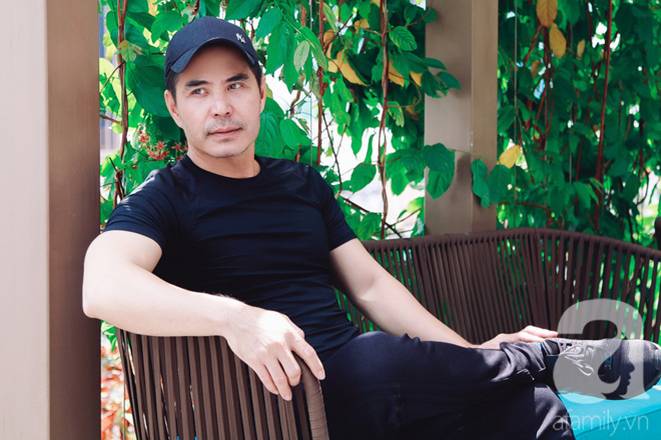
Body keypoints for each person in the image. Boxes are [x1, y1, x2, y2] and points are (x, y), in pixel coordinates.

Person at [82, 17, 661, 439]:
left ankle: (527, 368)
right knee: (371, 362)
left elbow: (372, 286)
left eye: (235, 84)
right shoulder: (167, 196)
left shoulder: (302, 185)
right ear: (174, 107)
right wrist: (236, 318)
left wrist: (469, 355)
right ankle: (548, 359)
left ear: (260, 93)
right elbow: (101, 286)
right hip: (277, 402)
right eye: (199, 91)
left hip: (373, 388)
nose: (221, 106)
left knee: (530, 412)